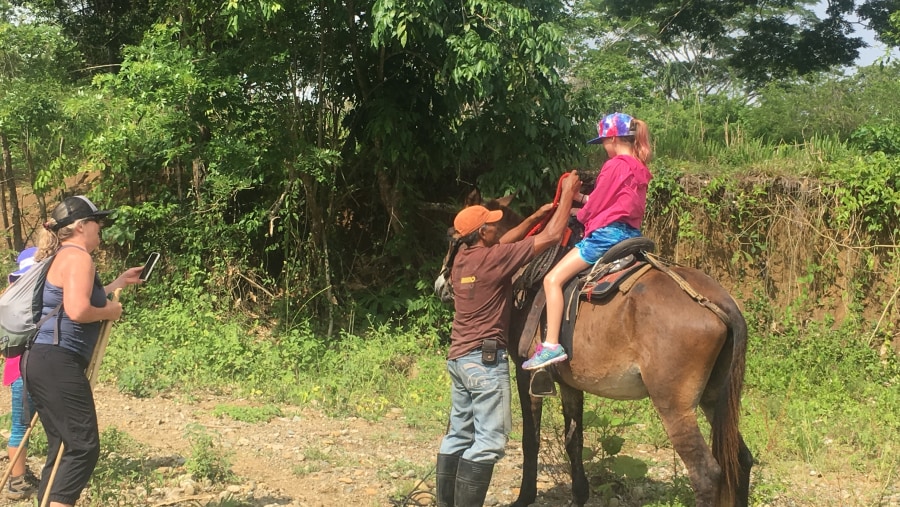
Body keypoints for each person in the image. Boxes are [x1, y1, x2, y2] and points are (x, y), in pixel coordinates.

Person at [435, 172, 580, 507]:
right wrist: (568, 195)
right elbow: (554, 235)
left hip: (459, 360)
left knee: (458, 434)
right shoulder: (494, 261)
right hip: (485, 364)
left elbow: (506, 241)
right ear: (483, 232)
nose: (495, 228)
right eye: (490, 225)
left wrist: (531, 217)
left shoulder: (463, 259)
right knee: (489, 440)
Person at [23, 196, 144, 507]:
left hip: (41, 358)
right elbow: (77, 310)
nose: (99, 229)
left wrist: (119, 282)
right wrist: (111, 312)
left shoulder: (63, 256)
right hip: (57, 360)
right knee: (82, 446)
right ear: (80, 227)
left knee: (63, 444)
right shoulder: (78, 258)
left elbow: (70, 300)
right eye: (96, 223)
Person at [523, 112, 653, 370]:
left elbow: (596, 207)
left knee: (552, 279)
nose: (604, 147)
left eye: (604, 142)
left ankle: (550, 346)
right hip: (631, 234)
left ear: (614, 138)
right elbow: (610, 200)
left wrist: (577, 213)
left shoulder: (614, 165)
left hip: (605, 237)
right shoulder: (639, 167)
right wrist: (580, 200)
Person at [4, 247, 41, 499]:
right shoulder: (29, 301)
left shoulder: (10, 297)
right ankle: (16, 482)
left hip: (17, 369)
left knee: (21, 424)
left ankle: (20, 476)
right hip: (26, 371)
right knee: (21, 426)